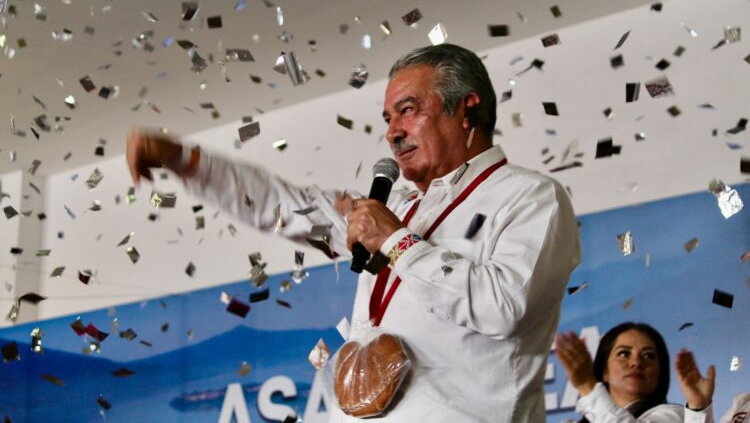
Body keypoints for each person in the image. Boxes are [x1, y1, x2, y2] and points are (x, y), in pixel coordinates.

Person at [126, 43, 581, 422]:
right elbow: (282, 206)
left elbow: (503, 307)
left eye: (408, 111)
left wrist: (398, 242)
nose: (393, 133)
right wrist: (182, 160)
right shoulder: (393, 207)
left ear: (467, 109)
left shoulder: (530, 197)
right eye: (388, 119)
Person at [556, 322, 716, 422]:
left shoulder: (673, 416)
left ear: (660, 373)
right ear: (604, 370)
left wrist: (588, 387)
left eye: (649, 356)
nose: (636, 362)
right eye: (624, 354)